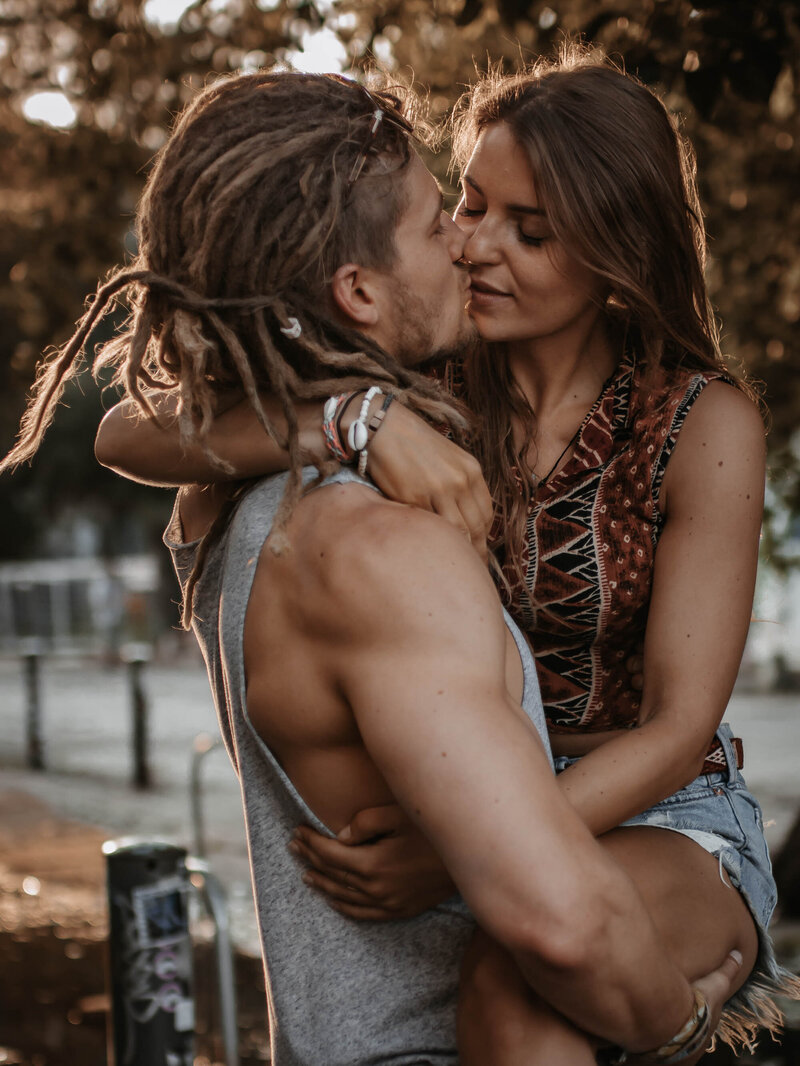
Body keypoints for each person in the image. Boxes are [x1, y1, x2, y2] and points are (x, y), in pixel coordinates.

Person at [2, 68, 742, 1066]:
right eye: (469, 203)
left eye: (528, 229)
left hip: (659, 809)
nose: (474, 243)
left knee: (510, 985)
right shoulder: (413, 370)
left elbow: (678, 724)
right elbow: (131, 431)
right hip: (491, 811)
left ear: (612, 255)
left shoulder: (698, 424)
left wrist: (453, 854)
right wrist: (357, 415)